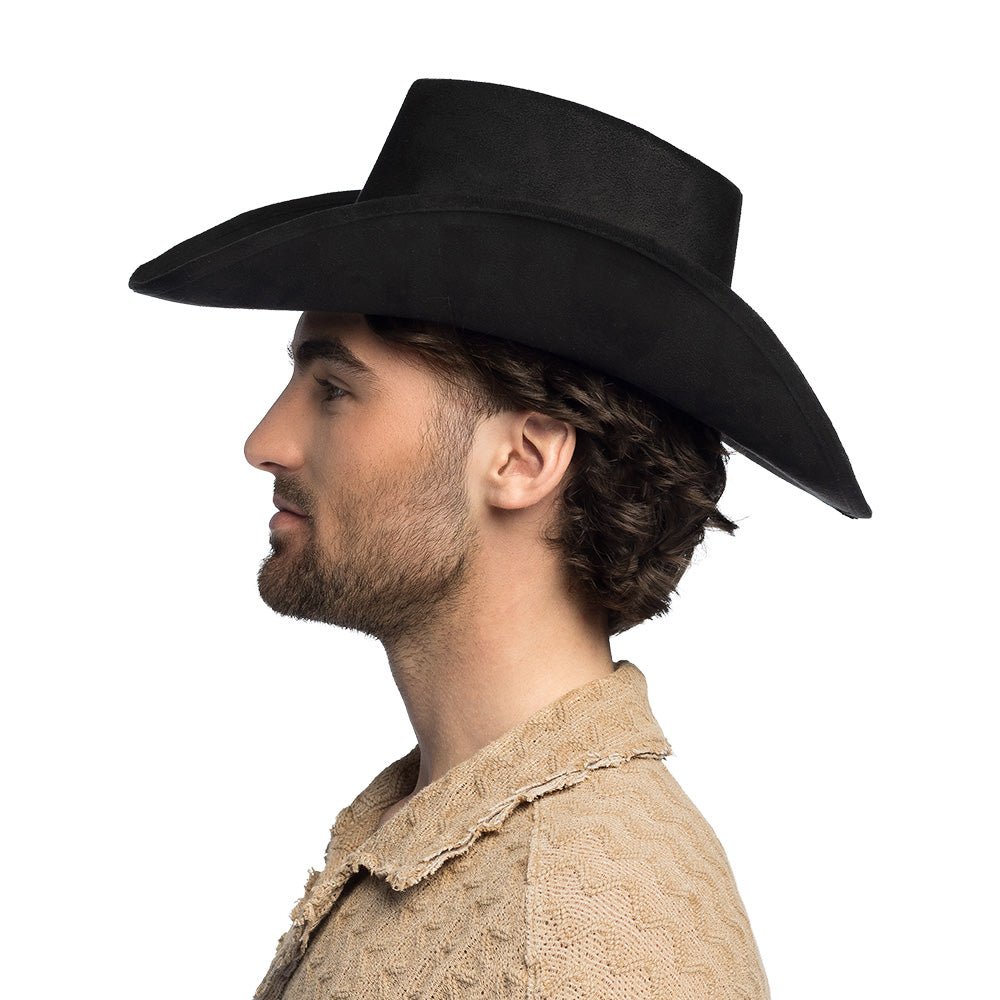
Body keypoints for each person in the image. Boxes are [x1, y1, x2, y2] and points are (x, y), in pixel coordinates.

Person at [129, 77, 870, 999]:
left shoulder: (567, 935)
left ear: (523, 460)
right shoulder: (467, 839)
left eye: (334, 390)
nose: (265, 441)